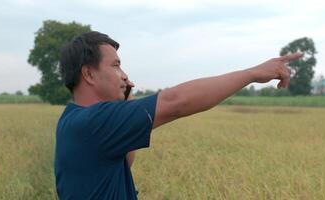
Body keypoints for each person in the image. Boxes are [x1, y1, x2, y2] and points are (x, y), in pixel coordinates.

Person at [55, 31, 301, 200]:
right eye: (115, 65)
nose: (123, 74)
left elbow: (125, 161)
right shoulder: (94, 123)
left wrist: (126, 97)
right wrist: (253, 73)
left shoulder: (74, 119)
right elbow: (176, 102)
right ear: (88, 74)